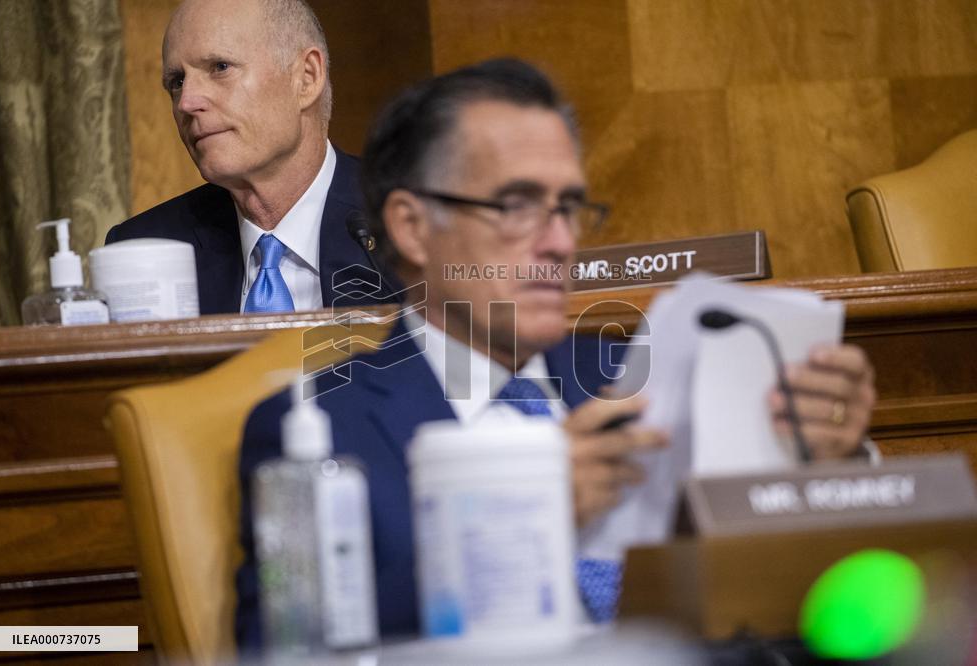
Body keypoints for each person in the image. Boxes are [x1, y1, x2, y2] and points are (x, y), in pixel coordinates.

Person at [234, 58, 877, 649]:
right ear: (412, 227)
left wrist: (824, 467)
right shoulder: (318, 427)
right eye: (517, 206)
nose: (560, 242)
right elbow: (292, 651)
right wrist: (525, 525)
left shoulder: (637, 375)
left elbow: (777, 592)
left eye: (568, 208)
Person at [106, 0, 389, 314]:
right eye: (177, 82)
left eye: (220, 67)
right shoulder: (145, 250)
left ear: (306, 78)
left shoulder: (411, 223)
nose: (186, 102)